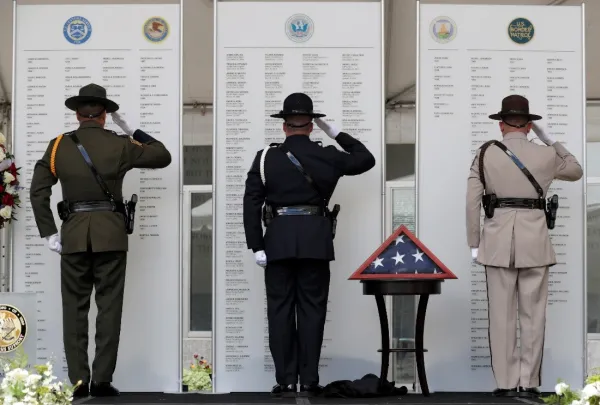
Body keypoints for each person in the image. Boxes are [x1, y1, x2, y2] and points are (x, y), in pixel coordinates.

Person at [29, 83, 172, 398]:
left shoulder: (57, 146)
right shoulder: (119, 144)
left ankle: (79, 382)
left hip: (74, 235)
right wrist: (130, 127)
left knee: (74, 310)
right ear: (105, 115)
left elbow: (37, 190)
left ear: (78, 114)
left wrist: (49, 231)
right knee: (109, 308)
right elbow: (163, 155)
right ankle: (103, 380)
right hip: (111, 234)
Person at [243, 92, 375, 397]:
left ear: (284, 126)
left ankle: (286, 380)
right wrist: (335, 132)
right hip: (316, 240)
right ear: (312, 125)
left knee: (279, 310)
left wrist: (256, 245)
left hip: (276, 241)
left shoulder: (266, 157)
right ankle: (310, 379)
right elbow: (365, 159)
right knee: (313, 311)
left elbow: (251, 204)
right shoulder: (328, 155)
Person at [466, 95, 583, 398]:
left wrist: (474, 244)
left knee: (501, 316)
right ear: (530, 126)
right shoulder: (545, 155)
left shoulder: (485, 154)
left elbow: (471, 203)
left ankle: (506, 383)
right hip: (535, 242)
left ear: (501, 125)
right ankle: (528, 383)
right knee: (534, 315)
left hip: (496, 242)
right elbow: (575, 169)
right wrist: (552, 140)